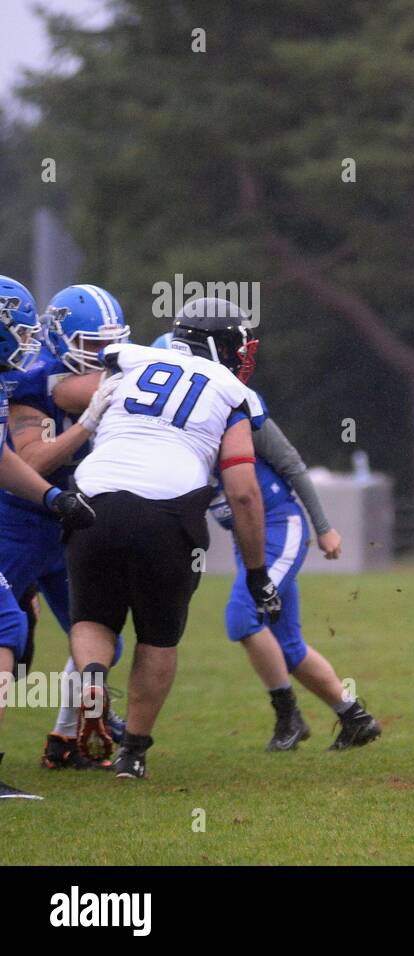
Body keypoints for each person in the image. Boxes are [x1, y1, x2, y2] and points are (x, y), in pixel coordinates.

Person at [66, 297, 279, 780]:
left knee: (93, 616)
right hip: (168, 509)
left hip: (93, 496)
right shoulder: (230, 391)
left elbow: (62, 394)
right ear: (219, 346)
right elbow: (244, 493)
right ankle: (133, 754)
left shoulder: (129, 357)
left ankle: (94, 679)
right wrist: (256, 571)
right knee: (158, 637)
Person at [0, 284, 131, 770]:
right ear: (61, 338)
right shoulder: (28, 379)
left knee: (101, 638)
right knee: (7, 630)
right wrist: (88, 423)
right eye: (93, 345)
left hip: (68, 525)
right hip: (17, 524)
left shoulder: (98, 380)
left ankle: (65, 735)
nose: (103, 355)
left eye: (110, 344)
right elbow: (28, 460)